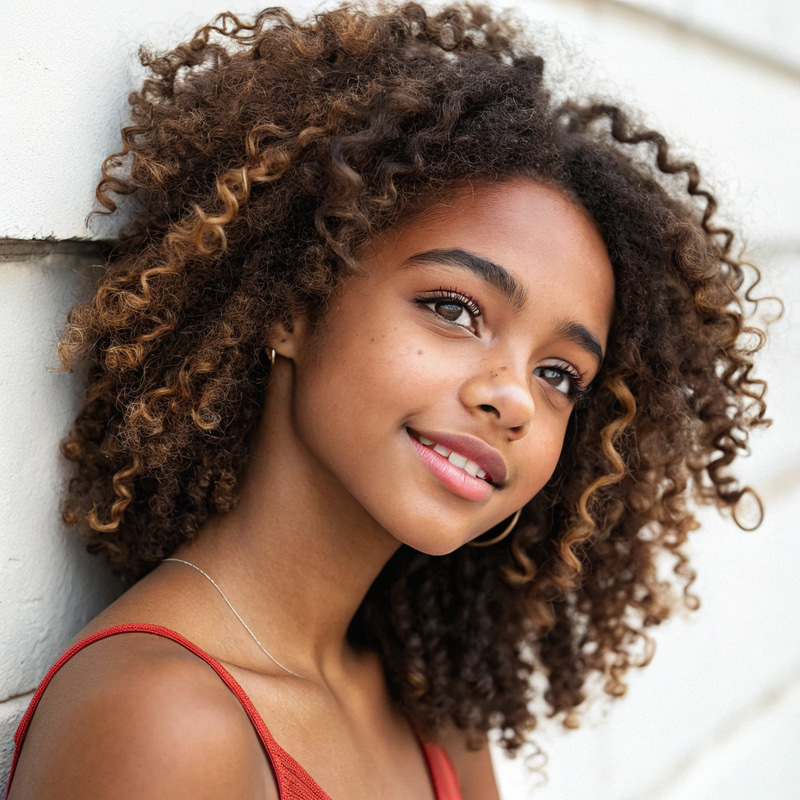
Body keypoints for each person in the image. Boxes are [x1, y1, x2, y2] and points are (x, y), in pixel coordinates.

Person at [5, 3, 770, 798]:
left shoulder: (431, 716)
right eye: (453, 308)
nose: (513, 398)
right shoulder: (163, 721)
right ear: (293, 302)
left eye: (560, 375)